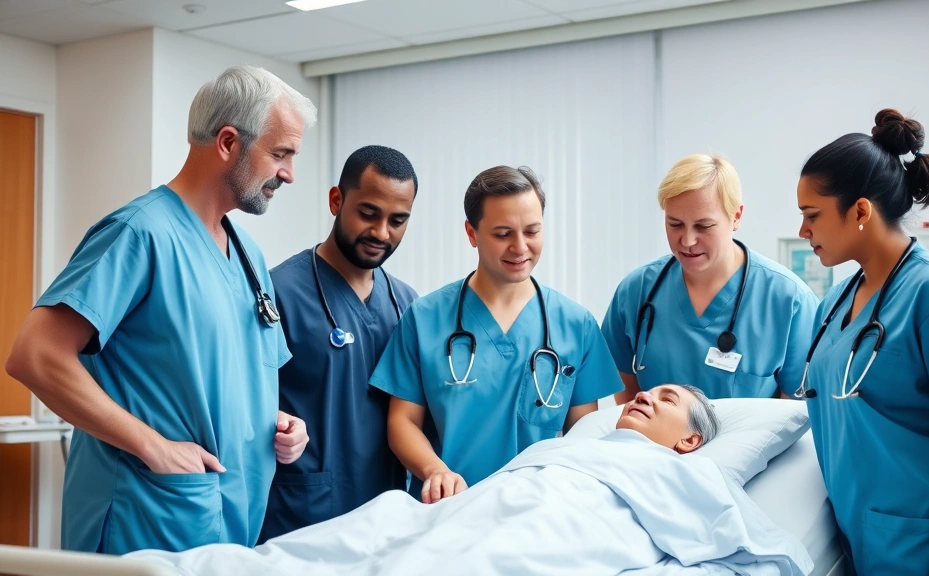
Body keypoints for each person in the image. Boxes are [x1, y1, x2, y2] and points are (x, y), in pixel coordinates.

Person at [4, 65, 316, 554]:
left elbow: (211, 376)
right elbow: (35, 356)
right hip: (150, 516)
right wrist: (152, 445)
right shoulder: (139, 233)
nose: (289, 174)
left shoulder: (249, 256)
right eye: (280, 154)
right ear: (229, 142)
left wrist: (277, 422)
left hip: (230, 521)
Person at [132, 385, 820, 576]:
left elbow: (742, 539)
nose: (644, 397)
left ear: (691, 441)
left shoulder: (684, 477)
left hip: (562, 523)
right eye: (646, 392)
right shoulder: (572, 445)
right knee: (373, 533)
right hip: (500, 498)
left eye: (666, 400)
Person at [789, 108, 929, 575]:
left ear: (860, 210)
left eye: (812, 215)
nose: (803, 231)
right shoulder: (834, 306)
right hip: (861, 543)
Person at [369, 165, 623, 503]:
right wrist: (434, 470)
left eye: (532, 231)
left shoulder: (576, 325)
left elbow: (582, 435)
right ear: (472, 234)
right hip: (447, 510)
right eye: (503, 234)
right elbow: (402, 422)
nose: (520, 248)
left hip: (538, 511)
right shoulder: (425, 318)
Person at [259, 146, 419, 542]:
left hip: (385, 520)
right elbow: (241, 401)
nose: (382, 232)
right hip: (302, 520)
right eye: (369, 213)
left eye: (397, 220)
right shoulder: (278, 294)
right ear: (336, 200)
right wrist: (279, 425)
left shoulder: (407, 305)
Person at [601, 154, 818, 403]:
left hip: (753, 443)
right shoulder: (636, 292)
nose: (688, 240)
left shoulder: (789, 300)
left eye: (703, 226)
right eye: (675, 224)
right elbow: (624, 384)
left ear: (736, 216)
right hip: (651, 443)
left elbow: (792, 410)